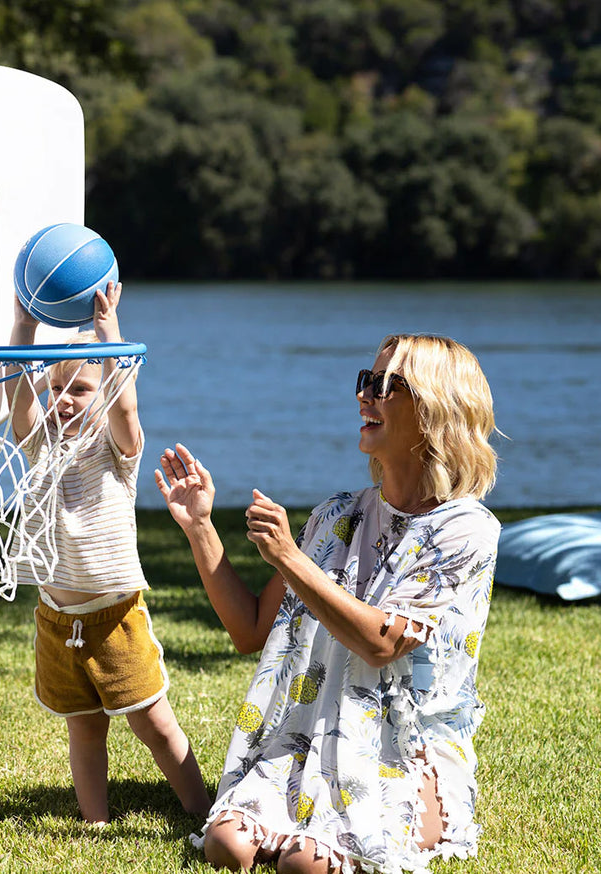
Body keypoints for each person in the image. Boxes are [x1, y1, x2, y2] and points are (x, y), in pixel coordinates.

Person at [154, 334, 501, 873]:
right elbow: (249, 631)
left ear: (436, 408)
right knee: (227, 845)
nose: (366, 395)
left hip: (401, 747)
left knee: (306, 866)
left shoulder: (467, 530)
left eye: (387, 385)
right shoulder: (337, 514)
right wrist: (199, 527)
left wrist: (291, 559)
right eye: (366, 380)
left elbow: (382, 643)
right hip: (309, 732)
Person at [8, 280, 211, 825]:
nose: (64, 400)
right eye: (58, 388)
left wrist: (109, 335)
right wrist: (25, 326)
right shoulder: (42, 445)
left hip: (114, 616)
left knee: (152, 722)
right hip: (57, 620)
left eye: (80, 389)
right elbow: (18, 401)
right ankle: (94, 822)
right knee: (84, 725)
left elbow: (126, 406)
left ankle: (201, 809)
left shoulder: (118, 451)